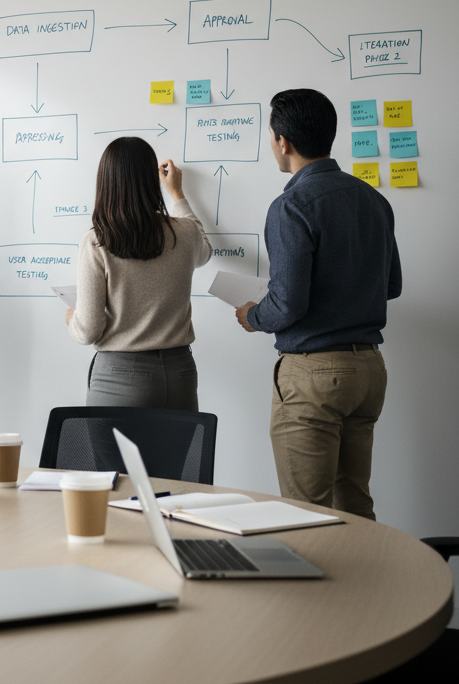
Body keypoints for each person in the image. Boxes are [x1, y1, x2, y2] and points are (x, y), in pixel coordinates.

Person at [235, 88, 401, 520]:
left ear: (282, 142)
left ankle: (320, 591)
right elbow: (392, 285)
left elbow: (287, 304)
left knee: (304, 512)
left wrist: (253, 316)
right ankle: (367, 588)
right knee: (354, 505)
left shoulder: (291, 205)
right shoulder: (375, 200)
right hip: (368, 370)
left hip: (314, 374)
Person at [66, 137, 212, 409]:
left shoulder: (96, 241)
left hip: (119, 377)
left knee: (114, 455)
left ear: (105, 183)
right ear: (151, 179)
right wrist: (177, 195)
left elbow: (88, 330)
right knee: (174, 454)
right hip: (179, 373)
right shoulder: (186, 232)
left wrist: (73, 318)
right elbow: (205, 252)